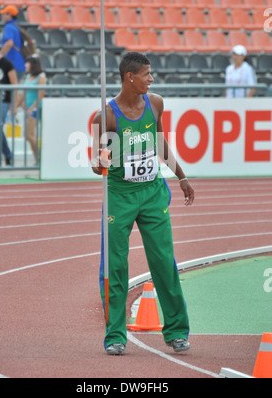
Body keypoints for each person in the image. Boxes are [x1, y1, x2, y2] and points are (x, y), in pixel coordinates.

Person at [91, 52, 195, 356]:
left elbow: (160, 142)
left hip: (152, 193)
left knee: (164, 262)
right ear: (130, 77)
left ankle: (177, 330)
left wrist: (181, 176)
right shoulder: (106, 116)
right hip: (119, 196)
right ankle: (115, 335)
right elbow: (100, 161)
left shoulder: (156, 103)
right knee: (115, 267)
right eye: (147, 74)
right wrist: (99, 163)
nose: (152, 79)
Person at [17, 55, 45, 163]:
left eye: (27, 63)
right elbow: (23, 93)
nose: (25, 65)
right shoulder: (28, 77)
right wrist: (17, 106)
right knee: (31, 135)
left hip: (35, 109)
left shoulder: (40, 77)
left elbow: (41, 94)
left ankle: (39, 158)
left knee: (28, 135)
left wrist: (32, 108)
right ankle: (37, 159)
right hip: (28, 108)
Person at [0, 5, 26, 82]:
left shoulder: (9, 27)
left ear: (9, 15)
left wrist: (0, 55)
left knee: (11, 91)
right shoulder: (16, 26)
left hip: (12, 65)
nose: (2, 16)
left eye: (4, 14)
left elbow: (9, 43)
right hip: (20, 64)